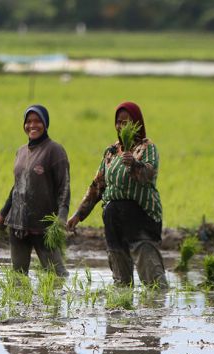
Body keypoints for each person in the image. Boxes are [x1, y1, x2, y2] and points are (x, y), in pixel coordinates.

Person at [67, 101, 167, 288]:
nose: (122, 127)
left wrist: (134, 164)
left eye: (127, 122)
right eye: (119, 122)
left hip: (141, 219)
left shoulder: (147, 148)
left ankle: (157, 311)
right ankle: (122, 310)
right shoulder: (111, 152)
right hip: (114, 221)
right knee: (121, 282)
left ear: (137, 123)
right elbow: (97, 186)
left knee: (154, 282)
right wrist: (78, 215)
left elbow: (148, 176)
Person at [0, 104, 70, 277]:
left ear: (45, 123)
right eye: (28, 121)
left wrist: (61, 219)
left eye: (37, 121)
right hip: (18, 222)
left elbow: (64, 188)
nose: (32, 125)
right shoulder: (20, 151)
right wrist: (3, 213)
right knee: (18, 276)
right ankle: (22, 304)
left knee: (57, 275)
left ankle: (57, 303)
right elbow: (17, 187)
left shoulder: (55, 151)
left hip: (44, 225)